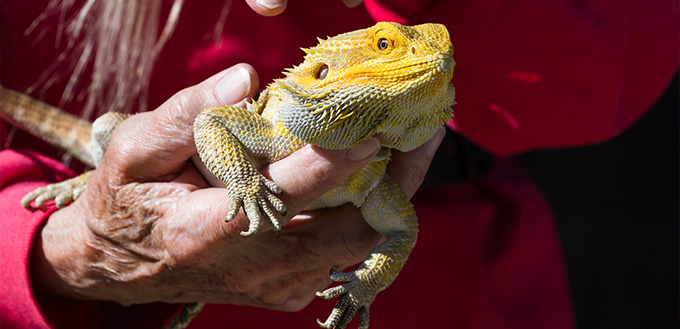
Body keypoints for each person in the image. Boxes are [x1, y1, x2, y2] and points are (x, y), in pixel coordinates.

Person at [1, 1, 677, 329]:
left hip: (457, 290)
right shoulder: (271, 114)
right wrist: (40, 257)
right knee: (107, 139)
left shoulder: (379, 183)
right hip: (78, 276)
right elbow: (215, 125)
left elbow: (613, 69)